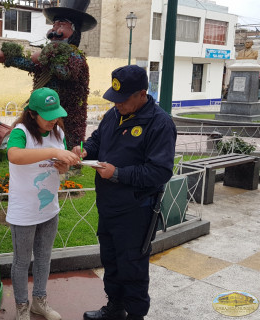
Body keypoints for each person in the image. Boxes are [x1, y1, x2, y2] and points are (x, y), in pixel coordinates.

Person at [72, 65, 177, 320]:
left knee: (133, 266)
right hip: (109, 205)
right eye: (115, 98)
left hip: (136, 210)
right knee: (111, 259)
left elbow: (160, 171)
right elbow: (98, 140)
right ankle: (115, 307)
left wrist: (118, 173)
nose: (117, 103)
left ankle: (136, 314)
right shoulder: (114, 115)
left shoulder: (160, 124)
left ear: (142, 94)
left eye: (123, 99)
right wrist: (85, 150)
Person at [7, 87, 80, 320]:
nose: (54, 120)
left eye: (56, 114)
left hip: (49, 208)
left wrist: (64, 167)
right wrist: (50, 152)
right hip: (24, 211)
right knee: (21, 261)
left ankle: (39, 301)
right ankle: (21, 306)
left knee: (43, 257)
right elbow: (14, 156)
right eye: (47, 116)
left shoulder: (58, 132)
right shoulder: (21, 132)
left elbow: (61, 169)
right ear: (32, 114)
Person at [0, 0, 97, 149]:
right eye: (54, 25)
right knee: (42, 143)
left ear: (74, 31)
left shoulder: (75, 57)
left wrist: (46, 55)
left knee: (68, 146)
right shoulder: (50, 56)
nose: (54, 31)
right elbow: (33, 64)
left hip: (68, 116)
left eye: (61, 26)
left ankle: (70, 167)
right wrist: (7, 58)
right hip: (44, 112)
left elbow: (64, 73)